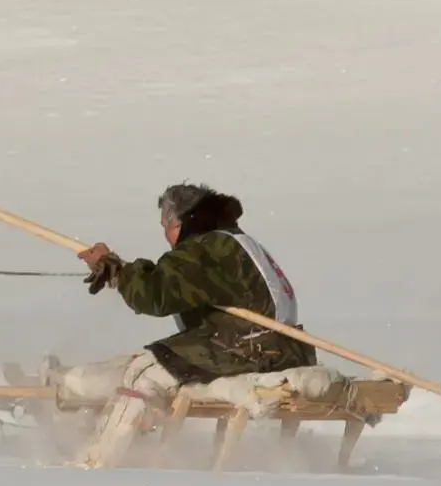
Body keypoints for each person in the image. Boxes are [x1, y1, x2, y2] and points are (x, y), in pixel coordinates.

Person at [59, 182, 317, 469]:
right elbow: (169, 284)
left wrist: (115, 269)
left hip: (249, 347)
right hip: (282, 348)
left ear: (179, 221)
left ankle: (93, 464)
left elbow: (155, 295)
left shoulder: (205, 249)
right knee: (146, 365)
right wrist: (118, 271)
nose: (165, 236)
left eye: (165, 226)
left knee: (143, 372)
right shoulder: (233, 241)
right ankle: (69, 387)